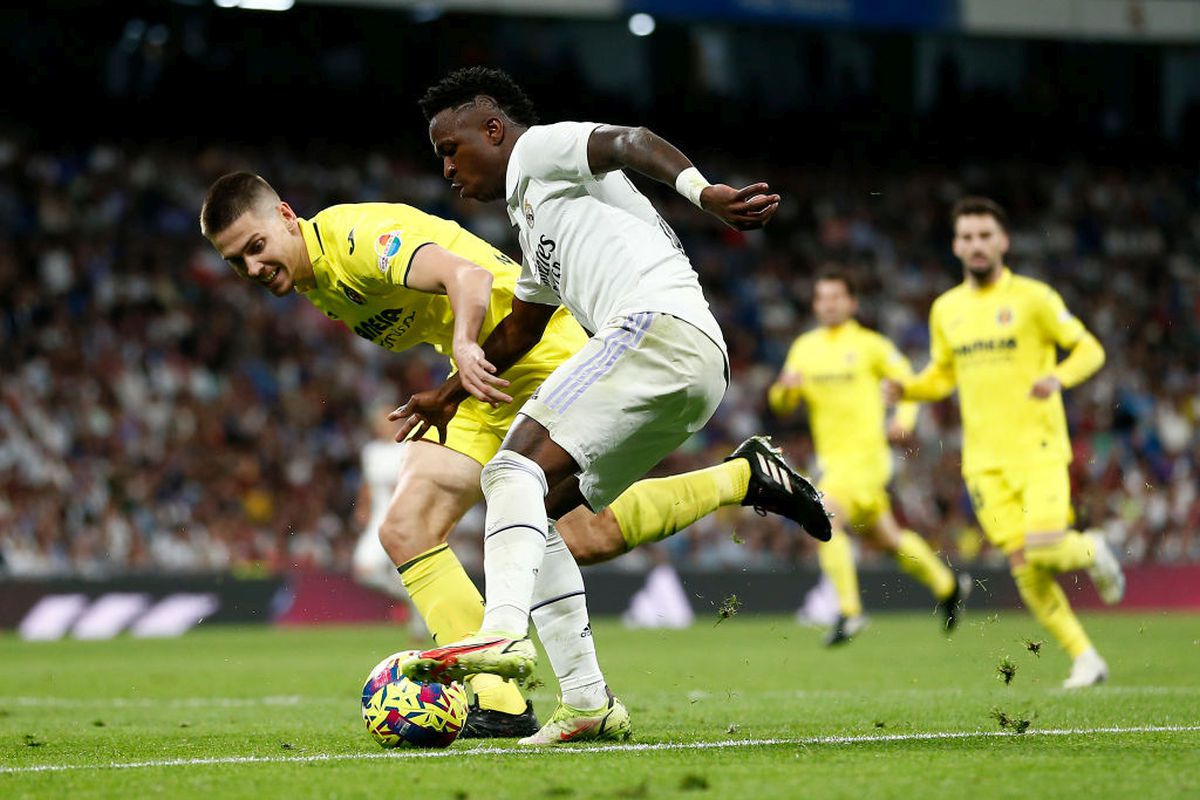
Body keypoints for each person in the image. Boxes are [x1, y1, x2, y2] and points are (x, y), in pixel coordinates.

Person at [199, 171, 827, 743]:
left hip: (533, 353)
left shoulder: (353, 238)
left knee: (588, 535)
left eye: (255, 247)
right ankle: (495, 697)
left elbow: (466, 277)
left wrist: (467, 349)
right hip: (479, 381)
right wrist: (461, 369)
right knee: (406, 528)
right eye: (236, 263)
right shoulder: (314, 280)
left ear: (284, 215)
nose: (253, 268)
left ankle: (742, 476)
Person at [396, 66, 831, 744]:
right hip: (691, 367)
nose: (448, 169)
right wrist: (448, 392)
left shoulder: (539, 151)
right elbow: (521, 326)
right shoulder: (535, 217)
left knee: (509, 472)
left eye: (451, 150)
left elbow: (629, 140)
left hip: (655, 328)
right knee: (533, 515)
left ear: (492, 129)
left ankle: (500, 634)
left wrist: (704, 191)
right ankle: (588, 702)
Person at [883, 196, 1125, 689]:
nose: (976, 244)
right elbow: (942, 376)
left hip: (1037, 448)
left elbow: (1090, 348)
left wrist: (1058, 378)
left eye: (985, 235)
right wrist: (907, 388)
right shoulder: (945, 309)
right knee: (1024, 566)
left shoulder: (1034, 298)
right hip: (983, 463)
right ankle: (1085, 658)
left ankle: (1091, 547)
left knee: (1045, 550)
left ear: (1003, 241)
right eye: (967, 237)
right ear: (956, 245)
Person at [769, 270, 972, 646]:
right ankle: (948, 584)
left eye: (835, 297)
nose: (827, 304)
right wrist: (785, 390)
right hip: (831, 461)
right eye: (821, 298)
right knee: (888, 540)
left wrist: (903, 419)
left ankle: (850, 610)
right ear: (815, 304)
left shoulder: (871, 346)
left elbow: (906, 383)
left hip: (867, 457)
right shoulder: (804, 348)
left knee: (824, 516)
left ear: (852, 303)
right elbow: (782, 403)